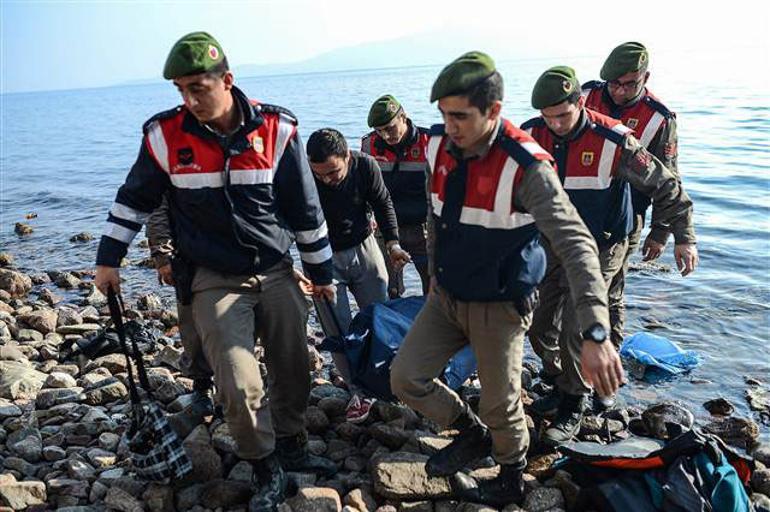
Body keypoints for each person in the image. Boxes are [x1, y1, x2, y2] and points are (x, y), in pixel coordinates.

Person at [93, 32, 337, 512]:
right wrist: (108, 260)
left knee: (294, 366)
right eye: (182, 90)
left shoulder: (278, 129)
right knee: (236, 376)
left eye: (199, 87)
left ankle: (291, 441)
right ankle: (264, 463)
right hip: (213, 278)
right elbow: (133, 199)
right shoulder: (164, 137)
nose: (190, 100)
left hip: (275, 269)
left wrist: (322, 272)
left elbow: (305, 209)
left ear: (227, 80)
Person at [389, 51, 623, 508]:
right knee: (405, 378)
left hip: (500, 304)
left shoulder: (527, 167)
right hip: (447, 297)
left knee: (501, 403)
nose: (449, 126)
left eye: (461, 116)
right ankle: (471, 433)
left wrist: (596, 332)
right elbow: (437, 218)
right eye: (443, 115)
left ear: (494, 111)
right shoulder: (436, 145)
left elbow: (578, 247)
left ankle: (511, 473)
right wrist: (435, 274)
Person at [522, 65, 698, 446]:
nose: (556, 126)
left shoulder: (615, 141)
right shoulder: (532, 134)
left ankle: (575, 401)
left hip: (602, 244)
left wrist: (681, 235)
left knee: (578, 324)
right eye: (548, 118)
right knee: (537, 323)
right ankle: (560, 380)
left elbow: (667, 185)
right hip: (554, 242)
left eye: (564, 116)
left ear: (579, 102)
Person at [306, 127, 410, 423]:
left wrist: (393, 244)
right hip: (321, 257)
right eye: (320, 174)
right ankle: (357, 389)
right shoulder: (303, 177)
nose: (327, 179)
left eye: (333, 172)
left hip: (364, 247)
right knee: (337, 327)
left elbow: (382, 202)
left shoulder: (365, 165)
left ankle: (388, 379)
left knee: (379, 318)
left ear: (347, 157)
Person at [583, 42, 681, 347]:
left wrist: (661, 231)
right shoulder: (586, 96)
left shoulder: (659, 118)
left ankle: (608, 361)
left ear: (645, 77)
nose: (620, 92)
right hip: (581, 204)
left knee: (609, 290)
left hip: (628, 214)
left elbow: (669, 178)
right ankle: (566, 361)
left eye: (630, 84)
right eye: (615, 84)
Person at [361, 95, 431, 297]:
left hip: (423, 229)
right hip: (386, 230)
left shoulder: (428, 143)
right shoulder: (369, 145)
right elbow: (365, 187)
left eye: (390, 128)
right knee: (388, 289)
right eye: (379, 130)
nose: (385, 135)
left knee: (434, 288)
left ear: (404, 117)